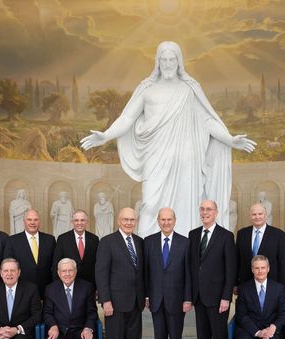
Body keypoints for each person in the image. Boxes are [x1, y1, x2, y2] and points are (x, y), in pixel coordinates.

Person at [81, 41, 256, 237]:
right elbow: (127, 118)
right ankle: (150, 252)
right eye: (163, 59)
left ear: (179, 62)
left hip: (187, 160)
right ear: (157, 62)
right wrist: (105, 136)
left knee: (186, 204)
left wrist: (230, 140)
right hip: (155, 157)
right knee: (150, 204)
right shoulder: (147, 89)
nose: (168, 64)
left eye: (172, 59)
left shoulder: (189, 89)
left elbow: (207, 120)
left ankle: (186, 252)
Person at [95, 207, 146, 339]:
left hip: (136, 302)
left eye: (132, 219)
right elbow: (101, 273)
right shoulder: (107, 242)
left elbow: (142, 273)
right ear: (118, 220)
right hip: (114, 303)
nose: (129, 222)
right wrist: (105, 300)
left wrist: (145, 296)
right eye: (125, 219)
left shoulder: (140, 242)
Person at [188, 200, 236, 339]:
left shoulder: (226, 236)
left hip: (218, 300)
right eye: (202, 209)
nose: (205, 212)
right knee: (203, 338)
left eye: (209, 209)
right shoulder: (193, 235)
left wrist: (226, 297)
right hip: (199, 297)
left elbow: (230, 270)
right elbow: (192, 267)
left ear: (216, 212)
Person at [143, 208, 192, 339]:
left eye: (169, 219)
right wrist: (146, 295)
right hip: (156, 300)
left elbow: (189, 274)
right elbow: (145, 272)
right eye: (162, 219)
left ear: (175, 220)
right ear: (158, 220)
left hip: (177, 301)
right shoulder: (148, 242)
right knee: (160, 338)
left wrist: (188, 298)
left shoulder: (185, 243)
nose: (166, 222)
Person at [3, 209, 55, 298]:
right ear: (24, 221)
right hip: (21, 290)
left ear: (39, 222)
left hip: (46, 290)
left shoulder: (50, 240)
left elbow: (54, 266)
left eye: (35, 220)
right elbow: (8, 266)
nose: (32, 222)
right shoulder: (12, 241)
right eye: (29, 219)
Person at [236, 203, 285, 291]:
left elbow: (284, 263)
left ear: (266, 215)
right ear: (250, 216)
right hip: (246, 285)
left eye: (260, 214)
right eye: (254, 214)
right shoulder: (242, 234)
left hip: (272, 285)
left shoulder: (278, 235)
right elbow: (237, 260)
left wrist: (284, 287)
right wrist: (235, 283)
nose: (257, 217)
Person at [52, 210, 99, 289]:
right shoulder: (63, 239)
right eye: (76, 220)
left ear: (86, 221)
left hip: (90, 285)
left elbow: (98, 264)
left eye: (82, 220)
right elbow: (56, 265)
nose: (79, 223)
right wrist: (58, 285)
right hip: (68, 285)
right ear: (72, 222)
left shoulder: (94, 239)